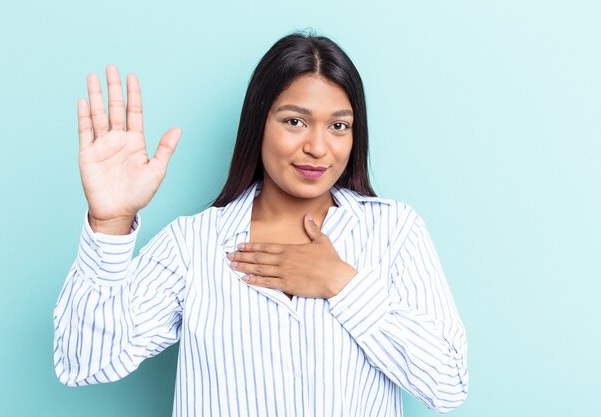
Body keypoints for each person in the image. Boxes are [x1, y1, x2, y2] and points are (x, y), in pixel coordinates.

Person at [53, 32, 469, 416]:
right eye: (295, 121)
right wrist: (111, 223)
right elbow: (85, 362)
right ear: (259, 123)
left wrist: (342, 284)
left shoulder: (394, 231)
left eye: (338, 126)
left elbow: (448, 384)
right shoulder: (194, 244)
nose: (317, 146)